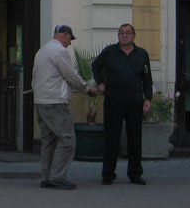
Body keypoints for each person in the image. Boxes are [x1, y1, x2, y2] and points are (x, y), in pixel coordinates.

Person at [32, 24, 98, 190]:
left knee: (49, 140)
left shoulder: (42, 51)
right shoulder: (60, 51)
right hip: (56, 102)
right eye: (70, 39)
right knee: (68, 140)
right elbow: (70, 75)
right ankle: (58, 177)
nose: (70, 43)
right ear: (65, 35)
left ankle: (47, 177)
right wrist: (87, 88)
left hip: (41, 101)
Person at [91, 23, 153, 186]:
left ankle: (135, 174)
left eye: (127, 33)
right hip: (113, 100)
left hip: (134, 101)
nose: (124, 35)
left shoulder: (142, 54)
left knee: (135, 139)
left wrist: (148, 99)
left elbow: (147, 79)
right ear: (118, 36)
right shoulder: (110, 51)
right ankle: (108, 174)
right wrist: (101, 83)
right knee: (111, 138)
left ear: (134, 35)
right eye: (121, 33)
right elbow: (95, 66)